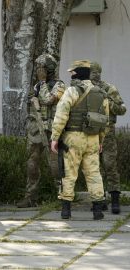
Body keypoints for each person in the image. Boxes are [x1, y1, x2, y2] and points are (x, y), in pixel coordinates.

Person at [51, 60, 109, 220]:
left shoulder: (72, 91)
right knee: (94, 173)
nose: (71, 75)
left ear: (77, 73)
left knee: (69, 173)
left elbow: (61, 115)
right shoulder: (101, 93)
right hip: (93, 139)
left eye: (72, 73)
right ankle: (98, 210)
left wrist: (55, 137)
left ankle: (66, 210)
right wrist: (101, 140)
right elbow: (105, 120)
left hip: (73, 138)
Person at [17, 53, 66, 208]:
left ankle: (64, 196)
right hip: (36, 130)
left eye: (41, 67)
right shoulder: (37, 86)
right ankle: (30, 197)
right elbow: (32, 104)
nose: (38, 70)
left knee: (55, 166)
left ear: (48, 68)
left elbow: (48, 100)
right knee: (31, 164)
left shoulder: (60, 85)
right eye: (38, 67)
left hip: (53, 131)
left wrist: (43, 83)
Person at [90, 62, 127, 214]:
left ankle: (115, 200)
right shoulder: (85, 90)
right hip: (91, 133)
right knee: (94, 168)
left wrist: (107, 100)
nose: (94, 75)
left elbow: (122, 109)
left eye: (96, 72)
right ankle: (99, 200)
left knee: (110, 165)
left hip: (107, 134)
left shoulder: (109, 89)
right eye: (91, 72)